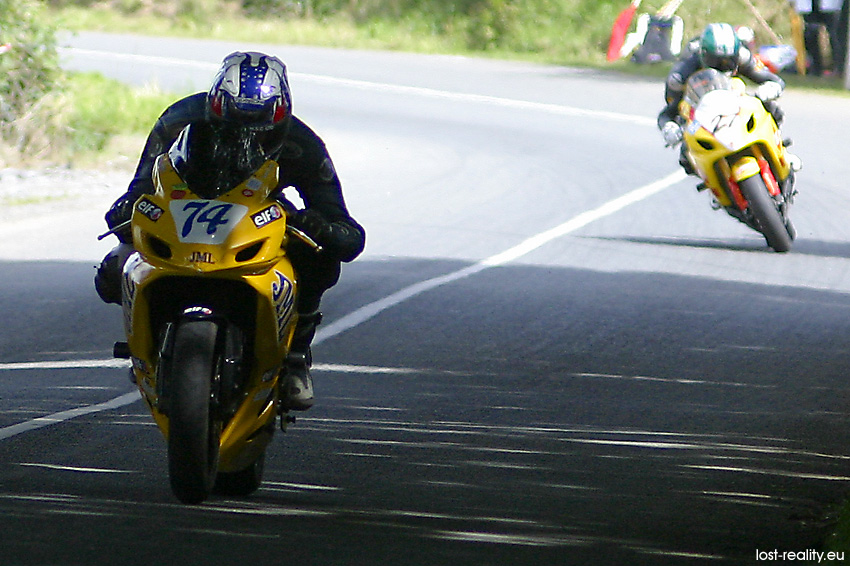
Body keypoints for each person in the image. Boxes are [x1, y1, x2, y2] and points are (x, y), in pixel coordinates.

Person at [94, 51, 366, 412]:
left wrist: (320, 226)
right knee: (115, 266)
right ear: (214, 108)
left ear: (280, 118)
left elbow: (346, 229)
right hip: (184, 208)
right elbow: (140, 186)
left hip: (257, 220)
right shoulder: (178, 120)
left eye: (259, 131)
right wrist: (126, 209)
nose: (246, 139)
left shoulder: (303, 143)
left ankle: (296, 354)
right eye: (234, 128)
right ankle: (144, 345)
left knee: (319, 258)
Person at [657, 23, 791, 177]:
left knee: (771, 107)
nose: (723, 66)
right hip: (703, 110)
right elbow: (669, 111)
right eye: (716, 62)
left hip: (735, 101)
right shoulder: (680, 75)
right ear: (703, 55)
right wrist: (669, 127)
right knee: (685, 155)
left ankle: (780, 149)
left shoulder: (742, 56)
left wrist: (771, 88)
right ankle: (714, 182)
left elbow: (771, 79)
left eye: (729, 61)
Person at [792, 0, 846, 76]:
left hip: (830, 6)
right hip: (810, 5)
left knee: (835, 35)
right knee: (810, 33)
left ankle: (839, 68)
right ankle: (815, 68)